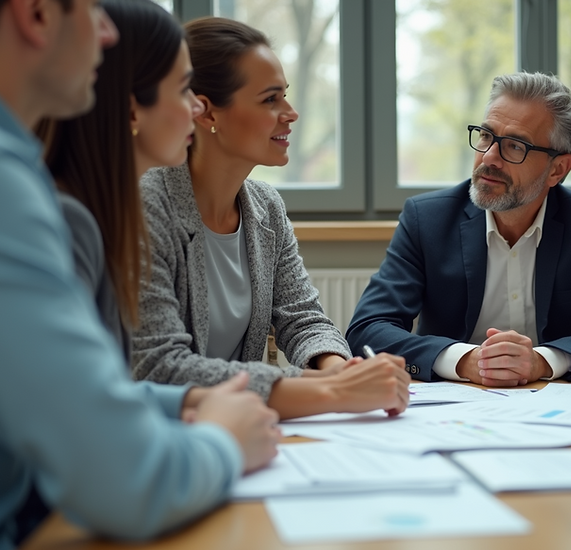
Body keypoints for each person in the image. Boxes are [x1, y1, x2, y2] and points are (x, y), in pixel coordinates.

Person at [0, 1, 281, 549]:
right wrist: (226, 441)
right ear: (35, 14)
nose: (106, 34)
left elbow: (68, 394)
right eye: (89, 9)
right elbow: (127, 482)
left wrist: (184, 403)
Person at [131, 17, 411, 419]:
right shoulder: (146, 206)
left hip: (237, 426)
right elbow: (160, 368)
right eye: (270, 99)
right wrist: (335, 391)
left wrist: (340, 369)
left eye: (286, 96)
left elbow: (303, 320)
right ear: (207, 113)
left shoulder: (266, 206)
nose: (291, 113)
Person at [346, 72, 571, 386]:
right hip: (449, 404)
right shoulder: (427, 218)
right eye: (485, 135)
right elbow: (368, 329)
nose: (489, 158)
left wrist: (545, 360)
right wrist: (464, 360)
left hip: (553, 401)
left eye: (515, 146)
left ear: (558, 169)